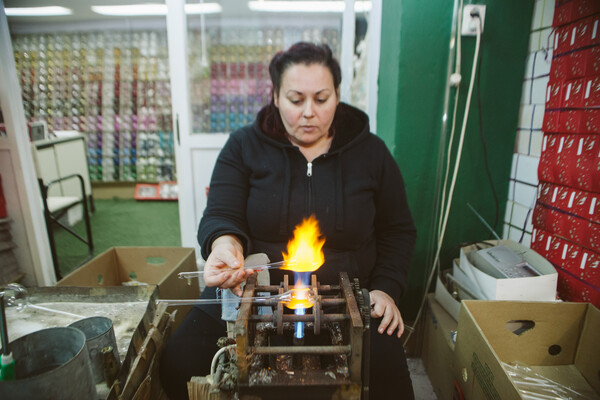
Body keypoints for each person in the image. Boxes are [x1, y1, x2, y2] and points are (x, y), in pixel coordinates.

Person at [160, 42, 417, 400]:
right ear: (275, 96)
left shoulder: (370, 152)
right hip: (252, 288)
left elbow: (397, 230)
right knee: (178, 361)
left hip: (351, 296)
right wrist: (225, 245)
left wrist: (387, 288)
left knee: (390, 379)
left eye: (322, 98)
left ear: (338, 96)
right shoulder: (243, 146)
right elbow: (222, 213)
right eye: (296, 100)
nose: (309, 113)